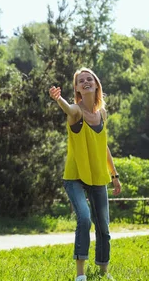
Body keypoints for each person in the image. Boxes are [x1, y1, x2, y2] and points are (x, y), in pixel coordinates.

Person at [49, 68, 122, 281]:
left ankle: (103, 272)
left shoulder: (102, 114)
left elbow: (103, 146)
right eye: (81, 81)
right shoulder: (77, 112)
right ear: (78, 89)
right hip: (75, 175)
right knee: (84, 218)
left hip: (98, 175)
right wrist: (58, 99)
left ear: (97, 84)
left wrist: (114, 175)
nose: (86, 82)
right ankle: (80, 275)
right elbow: (69, 110)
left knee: (104, 226)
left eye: (89, 79)